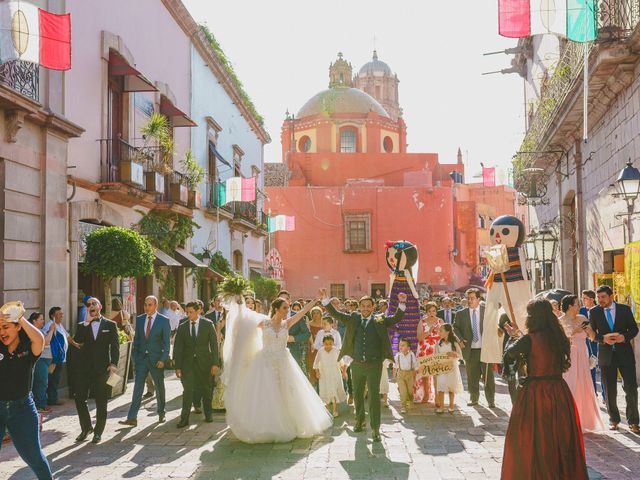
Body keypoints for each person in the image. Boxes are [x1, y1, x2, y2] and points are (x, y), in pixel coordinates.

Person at [223, 293, 332, 443]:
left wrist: (315, 300)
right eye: (284, 308)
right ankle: (267, 426)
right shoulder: (263, 323)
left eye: (287, 308)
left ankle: (291, 424)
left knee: (286, 392)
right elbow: (244, 320)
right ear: (276, 309)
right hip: (265, 362)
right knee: (267, 394)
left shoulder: (286, 323)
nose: (287, 311)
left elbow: (302, 312)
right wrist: (239, 303)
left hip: (283, 361)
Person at [501, 299, 588, 480]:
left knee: (535, 436)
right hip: (559, 391)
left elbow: (510, 354)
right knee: (559, 436)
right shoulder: (559, 336)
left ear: (533, 317)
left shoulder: (528, 339)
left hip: (536, 393)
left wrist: (513, 336)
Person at [323, 289, 407, 442]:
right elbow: (337, 315)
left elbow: (395, 319)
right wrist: (325, 301)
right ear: (359, 307)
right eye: (363, 306)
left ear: (373, 307)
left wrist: (401, 303)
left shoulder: (380, 319)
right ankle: (360, 421)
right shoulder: (354, 318)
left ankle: (375, 428)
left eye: (369, 306)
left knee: (374, 397)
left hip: (374, 364)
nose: (366, 308)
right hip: (357, 365)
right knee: (357, 395)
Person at [0, 307, 53, 480]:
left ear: (18, 327)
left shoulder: (28, 347)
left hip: (22, 409)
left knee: (35, 458)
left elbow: (40, 340)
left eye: (6, 327)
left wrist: (20, 317)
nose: (2, 332)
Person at [588, 285, 639, 433]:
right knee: (609, 390)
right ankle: (614, 420)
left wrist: (624, 337)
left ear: (611, 297)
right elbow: (592, 335)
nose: (600, 300)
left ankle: (634, 421)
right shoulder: (594, 312)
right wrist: (602, 339)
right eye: (598, 297)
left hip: (625, 355)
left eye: (603, 297)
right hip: (606, 356)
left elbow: (634, 329)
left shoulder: (624, 309)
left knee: (630, 388)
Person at [72, 298, 119, 443]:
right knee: (79, 398)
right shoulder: (82, 325)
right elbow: (78, 341)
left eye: (94, 304)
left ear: (100, 306)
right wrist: (86, 322)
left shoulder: (110, 325)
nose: (91, 306)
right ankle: (86, 428)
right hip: (84, 369)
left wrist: (114, 364)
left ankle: (98, 432)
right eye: (88, 305)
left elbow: (115, 346)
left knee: (101, 401)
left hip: (102, 369)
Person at [120, 296, 171, 427]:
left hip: (157, 360)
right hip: (142, 360)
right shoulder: (140, 319)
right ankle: (132, 417)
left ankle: (161, 412)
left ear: (155, 305)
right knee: (137, 388)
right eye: (145, 304)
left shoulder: (164, 321)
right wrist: (136, 358)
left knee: (159, 387)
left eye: (150, 305)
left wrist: (163, 359)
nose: (147, 307)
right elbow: (137, 340)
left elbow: (166, 343)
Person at [559, 294, 604, 432]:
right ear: (570, 306)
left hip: (583, 354)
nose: (579, 306)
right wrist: (574, 331)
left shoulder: (583, 318)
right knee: (570, 383)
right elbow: (559, 340)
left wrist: (588, 330)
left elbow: (591, 337)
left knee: (583, 384)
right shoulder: (560, 321)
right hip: (569, 356)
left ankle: (584, 419)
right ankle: (568, 420)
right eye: (577, 304)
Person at [173, 302, 220, 427]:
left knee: (206, 390)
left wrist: (215, 363)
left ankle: (208, 414)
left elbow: (215, 346)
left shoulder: (207, 324)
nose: (188, 315)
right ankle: (184, 418)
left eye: (191, 312)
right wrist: (177, 366)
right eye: (187, 312)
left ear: (198, 311)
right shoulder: (182, 327)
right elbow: (178, 347)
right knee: (188, 391)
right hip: (187, 365)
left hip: (205, 363)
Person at [454, 288, 496, 408]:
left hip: (485, 349)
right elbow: (455, 328)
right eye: (468, 298)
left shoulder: (487, 311)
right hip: (470, 350)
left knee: (488, 376)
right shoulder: (461, 314)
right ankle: (474, 398)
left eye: (472, 298)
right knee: (472, 376)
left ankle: (491, 400)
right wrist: (460, 339)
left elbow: (493, 326)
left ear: (479, 299)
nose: (470, 300)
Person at [414, 303, 442, 404]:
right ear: (426, 312)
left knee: (436, 373)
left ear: (436, 311)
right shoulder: (422, 322)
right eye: (429, 311)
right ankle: (426, 394)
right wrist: (428, 332)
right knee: (425, 373)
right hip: (424, 348)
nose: (432, 313)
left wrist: (440, 332)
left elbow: (445, 336)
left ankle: (437, 396)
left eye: (434, 311)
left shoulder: (440, 321)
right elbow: (419, 337)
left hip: (436, 348)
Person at [46, 307, 75, 406]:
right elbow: (47, 340)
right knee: (53, 379)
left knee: (56, 378)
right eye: (59, 314)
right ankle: (52, 399)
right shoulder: (49, 325)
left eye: (62, 313)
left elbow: (67, 336)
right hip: (54, 358)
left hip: (61, 358)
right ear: (52, 316)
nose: (62, 315)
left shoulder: (59, 325)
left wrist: (76, 344)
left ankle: (53, 398)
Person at [313, 335, 346, 417]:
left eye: (330, 344)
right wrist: (317, 372)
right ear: (323, 343)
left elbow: (341, 362)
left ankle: (335, 410)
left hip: (334, 373)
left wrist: (343, 372)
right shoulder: (320, 351)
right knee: (326, 390)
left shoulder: (336, 351)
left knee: (333, 390)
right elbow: (316, 363)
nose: (328, 346)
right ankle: (327, 407)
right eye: (326, 344)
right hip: (324, 373)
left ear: (333, 343)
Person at [581, 289, 604, 402]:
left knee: (603, 368)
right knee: (591, 368)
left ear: (591, 299)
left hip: (599, 342)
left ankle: (605, 396)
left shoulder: (600, 309)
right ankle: (593, 394)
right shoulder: (580, 311)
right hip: (587, 344)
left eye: (584, 298)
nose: (582, 301)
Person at [434, 324, 463, 414]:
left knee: (451, 387)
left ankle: (451, 406)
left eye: (441, 331)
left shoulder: (454, 343)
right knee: (441, 386)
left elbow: (460, 355)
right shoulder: (438, 344)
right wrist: (436, 369)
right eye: (439, 331)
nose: (439, 332)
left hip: (452, 369)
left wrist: (454, 354)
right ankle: (441, 406)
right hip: (442, 368)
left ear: (447, 332)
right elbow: (435, 356)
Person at [29, 312, 53, 413]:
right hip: (40, 360)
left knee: (42, 382)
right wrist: (51, 330)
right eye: (41, 319)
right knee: (41, 382)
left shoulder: (40, 331)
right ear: (34, 321)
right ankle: (40, 405)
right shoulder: (34, 332)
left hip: (45, 360)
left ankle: (41, 404)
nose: (43, 321)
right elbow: (46, 342)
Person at [393, 338, 418, 414]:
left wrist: (414, 378)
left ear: (408, 347)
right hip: (400, 374)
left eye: (403, 345)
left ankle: (410, 400)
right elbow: (395, 367)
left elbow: (414, 367)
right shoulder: (397, 356)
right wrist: (394, 377)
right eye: (399, 345)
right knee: (403, 391)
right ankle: (403, 406)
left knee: (410, 391)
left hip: (409, 374)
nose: (400, 347)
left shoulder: (411, 355)